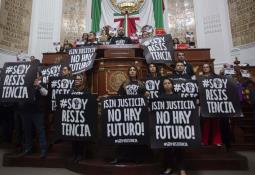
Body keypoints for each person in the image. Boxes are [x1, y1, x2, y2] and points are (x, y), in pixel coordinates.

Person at [111, 66, 148, 164]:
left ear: (136, 72)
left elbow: (145, 96)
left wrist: (147, 95)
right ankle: (120, 157)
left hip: (138, 112)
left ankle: (138, 157)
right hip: (126, 112)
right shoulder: (124, 83)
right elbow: (120, 96)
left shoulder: (141, 83)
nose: (132, 71)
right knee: (124, 135)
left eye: (134, 70)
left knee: (137, 135)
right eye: (130, 70)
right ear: (128, 72)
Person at [159, 78, 188, 175]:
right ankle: (169, 167)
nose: (167, 85)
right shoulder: (160, 97)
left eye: (168, 83)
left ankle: (182, 169)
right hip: (165, 127)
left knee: (180, 148)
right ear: (163, 86)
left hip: (177, 126)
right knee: (167, 148)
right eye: (165, 83)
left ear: (172, 84)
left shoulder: (178, 96)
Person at [19, 72, 48, 159]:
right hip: (26, 111)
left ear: (40, 77)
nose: (35, 76)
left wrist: (38, 86)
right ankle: (28, 148)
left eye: (37, 75)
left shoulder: (42, 84)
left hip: (37, 112)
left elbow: (45, 93)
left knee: (40, 131)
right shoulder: (26, 83)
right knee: (27, 131)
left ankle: (43, 150)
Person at [199, 64, 222, 146]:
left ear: (210, 68)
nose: (205, 68)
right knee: (205, 123)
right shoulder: (200, 78)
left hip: (215, 103)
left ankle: (217, 141)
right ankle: (204, 141)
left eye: (207, 67)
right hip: (205, 103)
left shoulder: (216, 77)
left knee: (216, 123)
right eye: (204, 67)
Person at [71, 73, 91, 162]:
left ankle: (80, 154)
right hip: (73, 116)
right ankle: (74, 153)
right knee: (73, 137)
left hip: (82, 117)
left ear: (82, 80)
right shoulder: (71, 90)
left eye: (79, 79)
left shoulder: (86, 90)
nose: (77, 81)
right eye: (76, 79)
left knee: (80, 137)